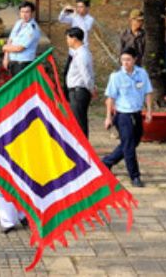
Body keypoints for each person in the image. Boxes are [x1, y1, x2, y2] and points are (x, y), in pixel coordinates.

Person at [101, 48, 153, 188]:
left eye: (128, 60)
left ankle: (107, 162)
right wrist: (108, 117)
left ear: (135, 59)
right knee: (129, 146)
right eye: (123, 60)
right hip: (123, 115)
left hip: (137, 113)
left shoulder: (142, 73)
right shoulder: (116, 77)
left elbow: (148, 92)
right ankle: (135, 176)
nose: (125, 63)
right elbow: (110, 98)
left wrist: (149, 111)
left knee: (133, 141)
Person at [65, 27, 95, 137]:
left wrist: (91, 88)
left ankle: (83, 146)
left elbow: (86, 74)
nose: (67, 41)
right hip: (77, 91)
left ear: (74, 39)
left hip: (79, 91)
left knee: (79, 121)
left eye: (68, 38)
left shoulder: (82, 54)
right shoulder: (80, 53)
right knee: (78, 120)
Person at [2, 1, 40, 75]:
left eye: (27, 12)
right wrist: (6, 58)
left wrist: (4, 48)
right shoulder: (19, 23)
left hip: (23, 63)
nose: (24, 15)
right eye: (22, 12)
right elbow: (10, 40)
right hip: (13, 61)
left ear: (32, 13)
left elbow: (19, 48)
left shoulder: (32, 29)